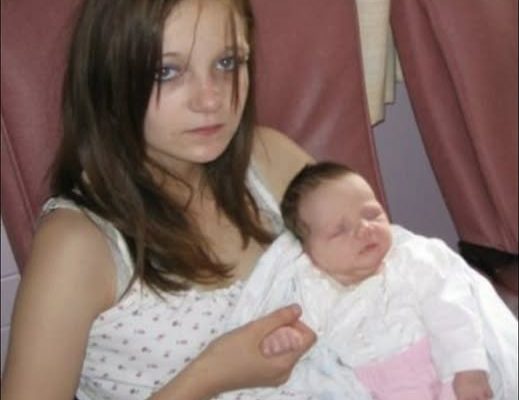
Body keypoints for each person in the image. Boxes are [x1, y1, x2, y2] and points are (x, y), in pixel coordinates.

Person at [1, 0, 319, 399]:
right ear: (110, 80)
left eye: (227, 63)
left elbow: (380, 272)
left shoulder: (272, 162)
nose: (211, 100)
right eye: (166, 72)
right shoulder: (79, 244)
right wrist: (209, 376)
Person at [228, 162, 518, 400]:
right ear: (309, 252)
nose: (365, 228)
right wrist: (284, 339)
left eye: (372, 214)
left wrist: (468, 369)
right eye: (340, 230)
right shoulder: (313, 286)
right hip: (375, 387)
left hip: (438, 368)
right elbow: (305, 332)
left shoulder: (411, 261)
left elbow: (452, 311)